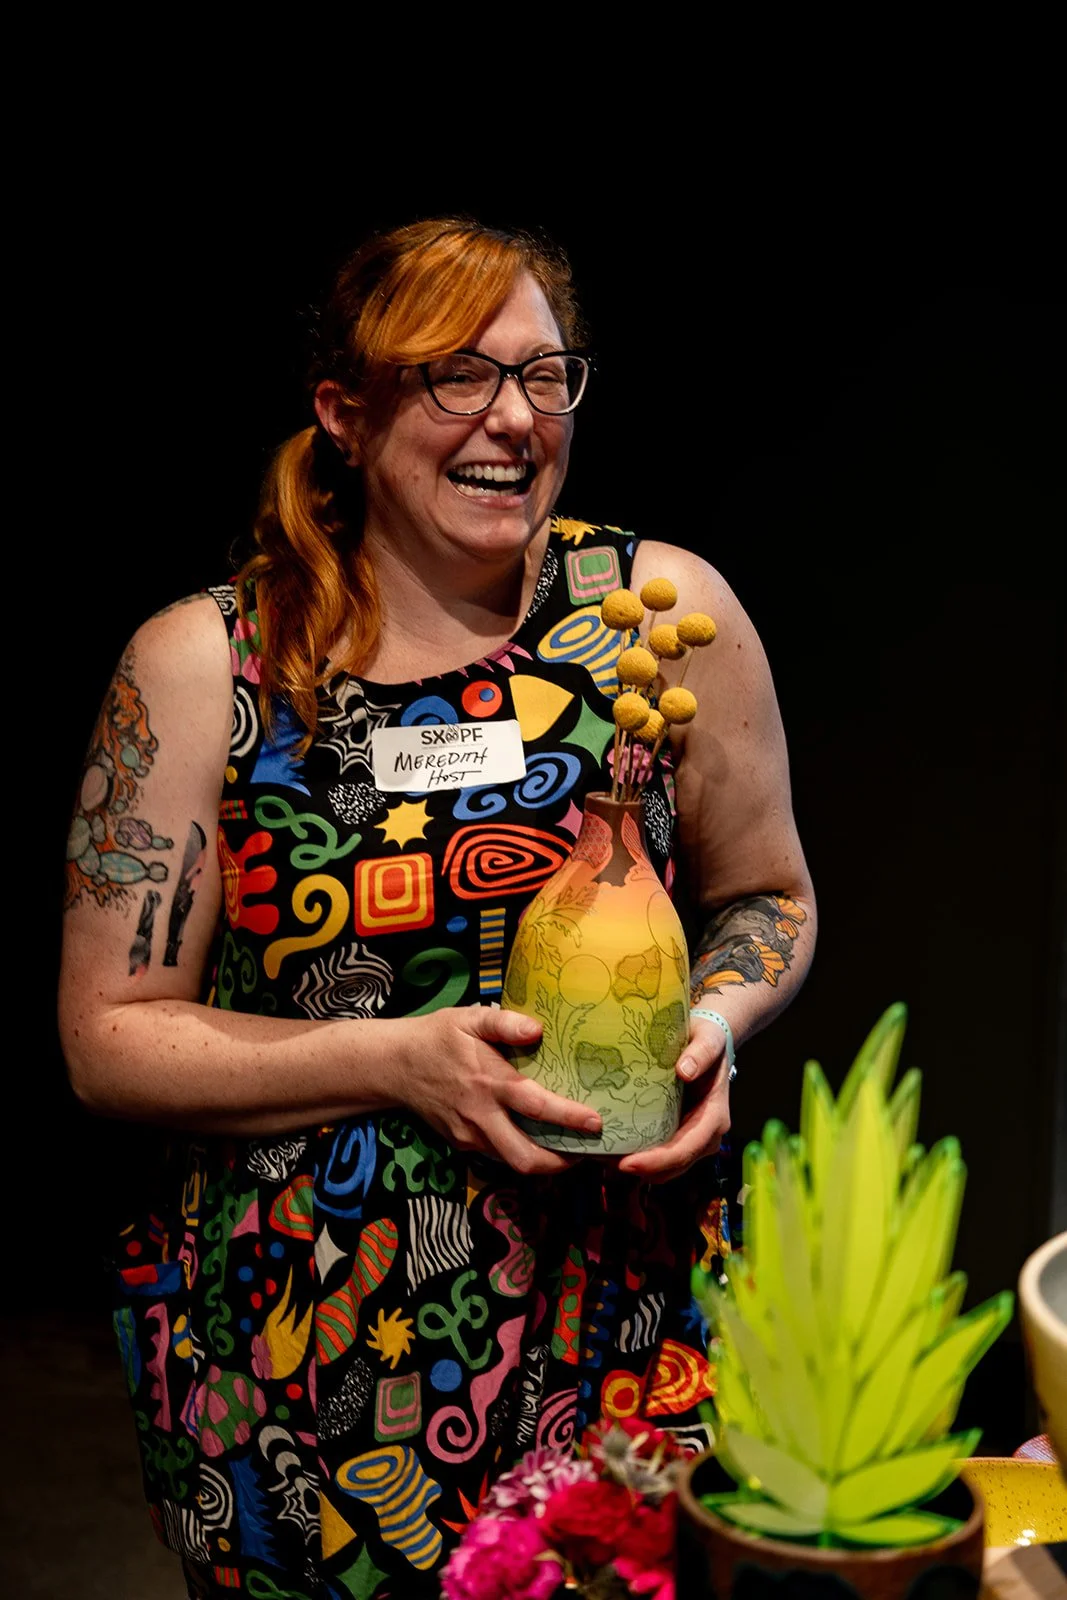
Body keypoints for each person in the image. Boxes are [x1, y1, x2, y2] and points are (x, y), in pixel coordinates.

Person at [58, 215, 816, 1599]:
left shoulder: (655, 619)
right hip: (304, 1354)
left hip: (626, 1325)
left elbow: (768, 898)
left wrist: (713, 1024)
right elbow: (109, 1037)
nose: (513, 418)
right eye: (456, 375)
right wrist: (397, 1061)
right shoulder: (210, 665)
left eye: (544, 375)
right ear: (345, 413)